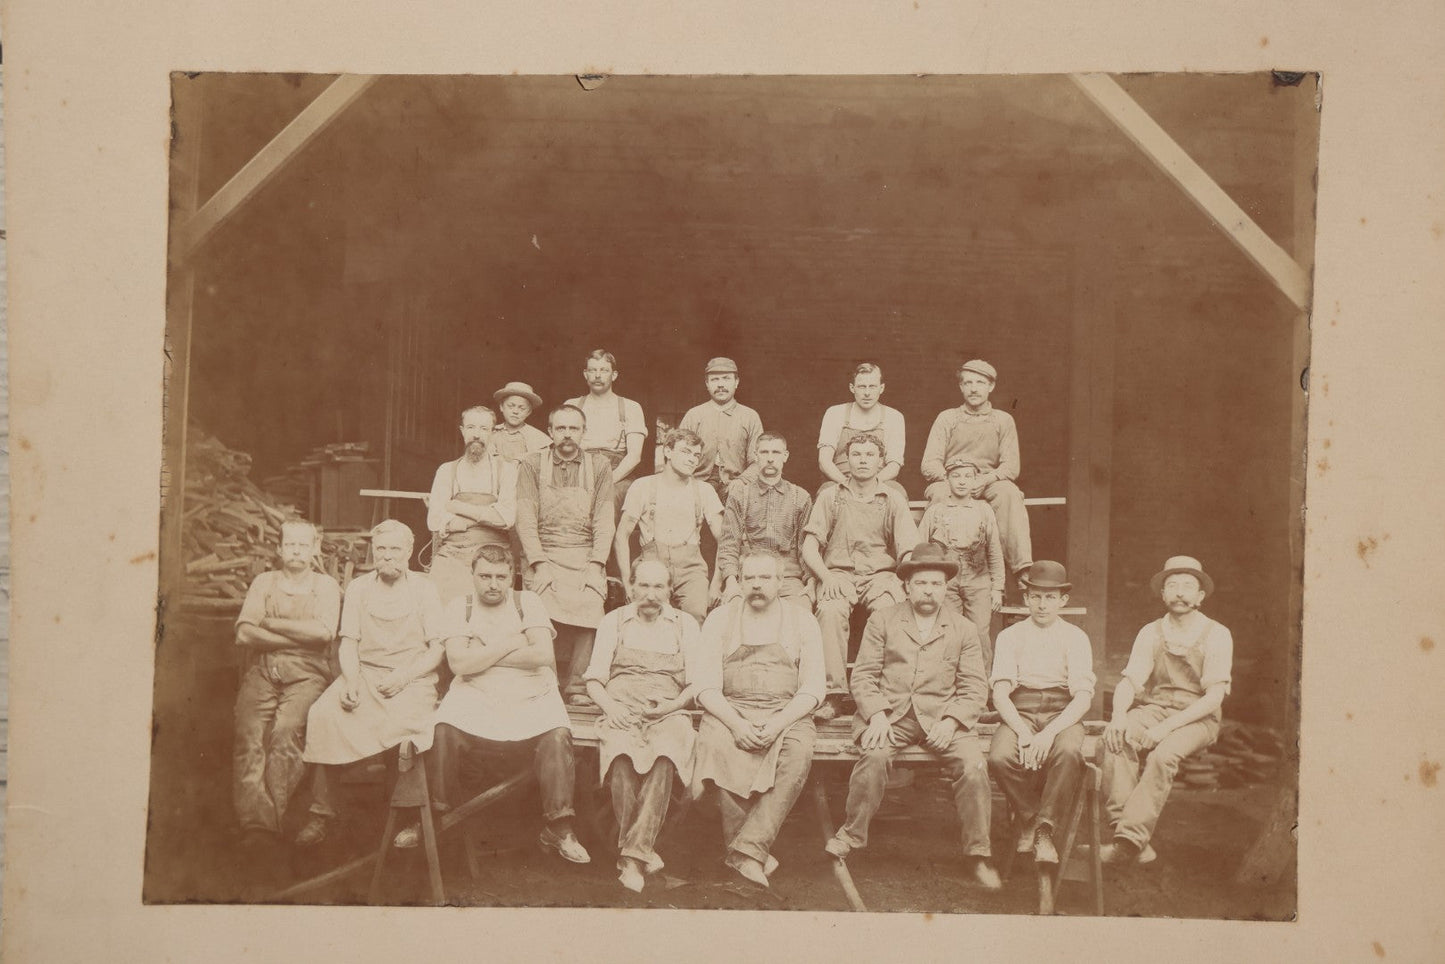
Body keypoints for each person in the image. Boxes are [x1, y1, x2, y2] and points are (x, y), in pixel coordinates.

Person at [823, 544, 1000, 890]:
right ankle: (852, 835)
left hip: (944, 717)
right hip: (892, 716)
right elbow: (863, 675)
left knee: (974, 767)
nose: (928, 590)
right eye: (921, 583)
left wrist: (952, 721)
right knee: (873, 757)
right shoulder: (884, 619)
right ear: (907, 586)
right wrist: (875, 715)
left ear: (946, 587)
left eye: (936, 583)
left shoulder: (963, 629)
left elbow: (975, 688)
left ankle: (978, 853)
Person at [400, 543, 589, 863]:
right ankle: (431, 818)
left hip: (531, 692)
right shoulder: (461, 606)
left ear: (512, 576)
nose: (493, 584)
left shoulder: (527, 602)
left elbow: (542, 655)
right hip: (475, 692)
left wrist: (483, 653)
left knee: (557, 733)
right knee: (443, 730)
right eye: (485, 576)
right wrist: (513, 642)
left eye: (501, 577)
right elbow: (459, 664)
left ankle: (560, 826)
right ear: (472, 575)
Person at [295, 520, 446, 846]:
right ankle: (321, 812)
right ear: (373, 551)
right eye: (381, 550)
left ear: (408, 551)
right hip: (365, 674)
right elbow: (348, 642)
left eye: (395, 550)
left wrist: (405, 676)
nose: (388, 556)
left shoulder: (424, 588)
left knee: (410, 727)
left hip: (413, 678)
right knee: (325, 713)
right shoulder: (359, 588)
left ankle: (409, 819)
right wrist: (349, 680)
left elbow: (437, 650)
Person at [692, 549, 826, 887]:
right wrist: (736, 724)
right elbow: (705, 687)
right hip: (730, 709)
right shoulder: (720, 618)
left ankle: (746, 851)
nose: (756, 585)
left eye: (764, 578)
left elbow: (812, 689)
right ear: (740, 580)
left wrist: (778, 724)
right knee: (710, 749)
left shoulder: (802, 620)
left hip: (786, 713)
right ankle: (752, 851)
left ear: (781, 582)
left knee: (797, 755)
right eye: (749, 577)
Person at [1101, 555, 1233, 865]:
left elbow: (1214, 698)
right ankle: (1128, 835)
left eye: (1188, 586)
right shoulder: (1151, 632)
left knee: (1163, 756)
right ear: (1162, 594)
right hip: (1156, 708)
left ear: (1200, 596)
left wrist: (1165, 729)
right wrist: (1119, 717)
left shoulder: (1217, 634)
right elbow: (1130, 681)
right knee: (1111, 740)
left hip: (1198, 718)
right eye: (1171, 585)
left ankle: (1128, 842)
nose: (1180, 592)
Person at [583, 559, 705, 892]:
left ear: (670, 590)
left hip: (667, 710)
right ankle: (641, 852)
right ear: (632, 587)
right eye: (644, 586)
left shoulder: (685, 625)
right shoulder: (614, 621)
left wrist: (673, 705)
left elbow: (696, 685)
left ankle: (631, 858)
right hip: (620, 706)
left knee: (666, 758)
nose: (651, 595)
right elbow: (594, 679)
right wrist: (611, 708)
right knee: (620, 759)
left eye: (659, 587)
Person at [232, 519, 342, 846]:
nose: (296, 550)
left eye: (303, 544)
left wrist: (268, 622)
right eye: (290, 544)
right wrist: (296, 636)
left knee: (285, 731)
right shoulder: (264, 582)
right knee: (248, 732)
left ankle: (278, 815)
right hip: (264, 669)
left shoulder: (326, 586)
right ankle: (257, 825)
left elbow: (323, 633)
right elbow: (243, 633)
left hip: (308, 672)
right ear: (279, 549)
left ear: (314, 550)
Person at [801, 432, 920, 720]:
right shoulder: (831, 497)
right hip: (839, 574)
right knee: (830, 612)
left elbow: (908, 551)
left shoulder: (893, 499)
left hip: (880, 575)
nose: (863, 460)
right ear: (847, 461)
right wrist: (826, 577)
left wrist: (899, 580)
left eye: (869, 455)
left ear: (881, 462)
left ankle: (881, 693)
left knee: (888, 613)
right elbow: (809, 547)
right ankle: (834, 695)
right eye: (857, 454)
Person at [987, 560, 1095, 865]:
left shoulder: (1076, 637)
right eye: (1036, 596)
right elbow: (999, 693)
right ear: (1025, 598)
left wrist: (1048, 734)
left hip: (1063, 712)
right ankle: (1031, 818)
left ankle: (1045, 830)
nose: (1042, 604)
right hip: (1020, 709)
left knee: (1069, 752)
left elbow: (1083, 697)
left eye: (1050, 597)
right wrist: (1023, 732)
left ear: (1063, 600)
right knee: (999, 757)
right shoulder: (1010, 636)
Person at [514, 404, 616, 705]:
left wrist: (597, 563)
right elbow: (525, 518)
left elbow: (604, 518)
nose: (567, 434)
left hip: (584, 551)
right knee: (538, 609)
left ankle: (577, 686)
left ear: (584, 432)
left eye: (574, 428)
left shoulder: (599, 466)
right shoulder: (532, 464)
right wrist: (539, 563)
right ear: (550, 432)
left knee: (592, 600)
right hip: (542, 552)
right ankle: (542, 682)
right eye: (561, 428)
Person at [920, 359, 1033, 578]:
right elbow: (929, 463)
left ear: (991, 386)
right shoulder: (947, 418)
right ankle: (936, 568)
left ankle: (1022, 571)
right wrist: (954, 480)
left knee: (1009, 493)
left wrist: (984, 480)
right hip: (951, 481)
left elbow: (1011, 466)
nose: (973, 388)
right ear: (961, 387)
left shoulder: (1003, 420)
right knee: (940, 495)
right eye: (968, 383)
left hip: (987, 482)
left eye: (980, 382)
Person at [615, 428, 725, 625]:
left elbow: (724, 539)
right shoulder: (643, 486)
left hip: (691, 568)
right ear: (667, 451)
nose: (692, 459)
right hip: (650, 564)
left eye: (696, 455)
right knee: (648, 618)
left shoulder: (704, 490)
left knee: (696, 616)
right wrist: (627, 581)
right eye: (685, 452)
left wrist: (716, 583)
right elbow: (622, 535)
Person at [426, 406, 518, 604]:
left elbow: (506, 519)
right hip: (453, 553)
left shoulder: (506, 470)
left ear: (492, 433)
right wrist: (485, 516)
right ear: (462, 431)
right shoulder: (446, 470)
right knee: (436, 603)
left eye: (484, 429)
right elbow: (434, 520)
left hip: (493, 556)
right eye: (471, 427)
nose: (477, 435)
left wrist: (458, 508)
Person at [917, 457, 1005, 665]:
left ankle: (981, 689)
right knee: (948, 631)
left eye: (968, 476)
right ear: (946, 479)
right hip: (947, 580)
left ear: (976, 480)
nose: (962, 481)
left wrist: (997, 588)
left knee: (980, 633)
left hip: (979, 578)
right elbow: (918, 549)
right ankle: (948, 685)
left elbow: (994, 550)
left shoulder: (983, 510)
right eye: (956, 476)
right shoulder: (935, 511)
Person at [715, 432, 813, 606]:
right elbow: (729, 543)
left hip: (787, 577)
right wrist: (730, 582)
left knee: (801, 611)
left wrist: (811, 583)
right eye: (764, 452)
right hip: (749, 575)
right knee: (732, 610)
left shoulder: (800, 497)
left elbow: (805, 548)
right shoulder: (740, 494)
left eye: (775, 453)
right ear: (755, 455)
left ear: (785, 456)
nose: (770, 458)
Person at [566, 349, 647, 506]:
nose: (597, 375)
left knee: (610, 498)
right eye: (592, 370)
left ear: (614, 375)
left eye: (604, 370)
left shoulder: (631, 407)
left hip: (617, 472)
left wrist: (607, 481)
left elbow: (634, 456)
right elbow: (562, 446)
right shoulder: (571, 405)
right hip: (576, 466)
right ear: (585, 374)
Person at [678, 356, 764, 502]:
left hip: (736, 486)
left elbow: (758, 461)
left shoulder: (750, 416)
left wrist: (742, 481)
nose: (720, 385)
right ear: (707, 383)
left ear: (736, 382)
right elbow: (679, 456)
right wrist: (690, 483)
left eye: (726, 378)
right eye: (714, 380)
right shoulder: (694, 415)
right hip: (696, 484)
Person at [816, 362, 907, 493]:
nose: (867, 393)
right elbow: (824, 461)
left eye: (872, 386)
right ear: (852, 388)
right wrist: (847, 484)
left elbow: (894, 465)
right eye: (862, 386)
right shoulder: (835, 413)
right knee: (825, 492)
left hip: (879, 482)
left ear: (881, 388)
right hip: (840, 481)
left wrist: (870, 485)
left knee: (898, 492)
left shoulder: (894, 417)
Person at [491, 381, 552, 463]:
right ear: (501, 407)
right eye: (511, 406)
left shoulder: (537, 437)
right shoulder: (491, 432)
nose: (515, 411)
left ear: (529, 412)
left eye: (522, 408)